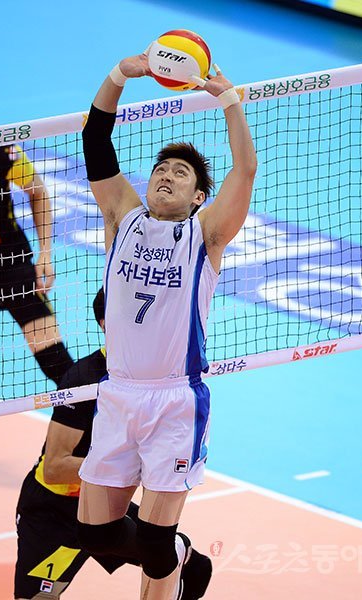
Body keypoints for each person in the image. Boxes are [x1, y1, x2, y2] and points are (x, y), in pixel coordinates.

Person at [77, 49, 257, 600]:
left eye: (180, 173)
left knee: (154, 544)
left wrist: (229, 101)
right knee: (96, 534)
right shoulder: (123, 216)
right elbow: (95, 140)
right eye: (160, 169)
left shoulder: (206, 235)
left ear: (199, 197)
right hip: (117, 394)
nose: (166, 176)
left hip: (175, 401)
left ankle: (171, 558)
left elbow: (244, 171)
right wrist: (119, 75)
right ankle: (183, 555)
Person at [14, 287, 212, 600]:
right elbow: (54, 468)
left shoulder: (158, 375)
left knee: (191, 567)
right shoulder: (83, 379)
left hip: (107, 497)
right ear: (107, 324)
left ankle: (176, 552)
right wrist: (127, 465)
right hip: (55, 509)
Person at [0, 72, 73, 386]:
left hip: (4, 255)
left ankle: (88, 414)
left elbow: (37, 192)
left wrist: (46, 252)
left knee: (54, 357)